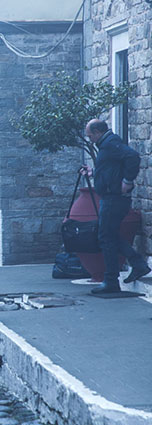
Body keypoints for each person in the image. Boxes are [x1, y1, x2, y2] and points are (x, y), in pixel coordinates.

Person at [82, 119, 150, 294]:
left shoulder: (110, 143)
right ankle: (133, 265)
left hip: (114, 198)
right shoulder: (107, 145)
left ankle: (114, 278)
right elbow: (111, 168)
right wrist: (93, 173)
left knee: (105, 236)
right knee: (108, 235)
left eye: (90, 136)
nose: (90, 140)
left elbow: (133, 157)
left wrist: (127, 181)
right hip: (110, 196)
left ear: (97, 132)